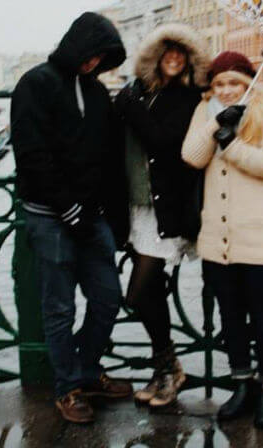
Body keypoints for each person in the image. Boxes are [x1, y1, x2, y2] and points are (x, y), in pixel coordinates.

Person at [10, 12, 132, 424]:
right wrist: (68, 207)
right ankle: (68, 388)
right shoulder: (36, 84)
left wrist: (117, 221)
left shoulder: (98, 93)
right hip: (50, 217)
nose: (93, 62)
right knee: (59, 309)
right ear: (75, 45)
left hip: (93, 218)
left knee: (108, 300)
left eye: (102, 57)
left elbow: (110, 160)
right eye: (91, 53)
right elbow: (31, 155)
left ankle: (85, 369)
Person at [181, 51, 263, 429]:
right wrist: (215, 125)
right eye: (219, 84)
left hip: (260, 235)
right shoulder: (205, 111)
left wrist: (232, 143)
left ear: (248, 83)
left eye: (233, 83)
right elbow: (191, 156)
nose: (226, 90)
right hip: (217, 237)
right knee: (230, 317)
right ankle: (241, 383)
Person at [113, 23, 209, 407]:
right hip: (137, 207)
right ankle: (165, 373)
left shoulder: (189, 100)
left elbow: (166, 144)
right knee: (151, 293)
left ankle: (169, 368)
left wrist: (130, 108)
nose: (173, 58)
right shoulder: (140, 93)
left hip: (167, 211)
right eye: (167, 51)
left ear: (189, 60)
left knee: (137, 294)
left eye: (180, 53)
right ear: (153, 57)